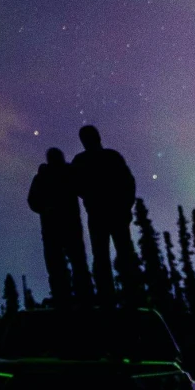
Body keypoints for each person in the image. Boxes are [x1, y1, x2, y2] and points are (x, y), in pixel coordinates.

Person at [70, 124, 138, 303]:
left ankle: (115, 297)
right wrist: (125, 207)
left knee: (108, 256)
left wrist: (124, 208)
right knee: (112, 256)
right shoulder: (110, 157)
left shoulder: (85, 160)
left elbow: (128, 183)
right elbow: (128, 183)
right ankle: (123, 297)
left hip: (106, 214)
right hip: (110, 214)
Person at [27, 147, 89, 306]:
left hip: (56, 228)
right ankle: (78, 296)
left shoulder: (45, 176)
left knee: (62, 264)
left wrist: (44, 209)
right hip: (64, 227)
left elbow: (33, 201)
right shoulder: (64, 174)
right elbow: (33, 200)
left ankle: (67, 296)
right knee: (72, 263)